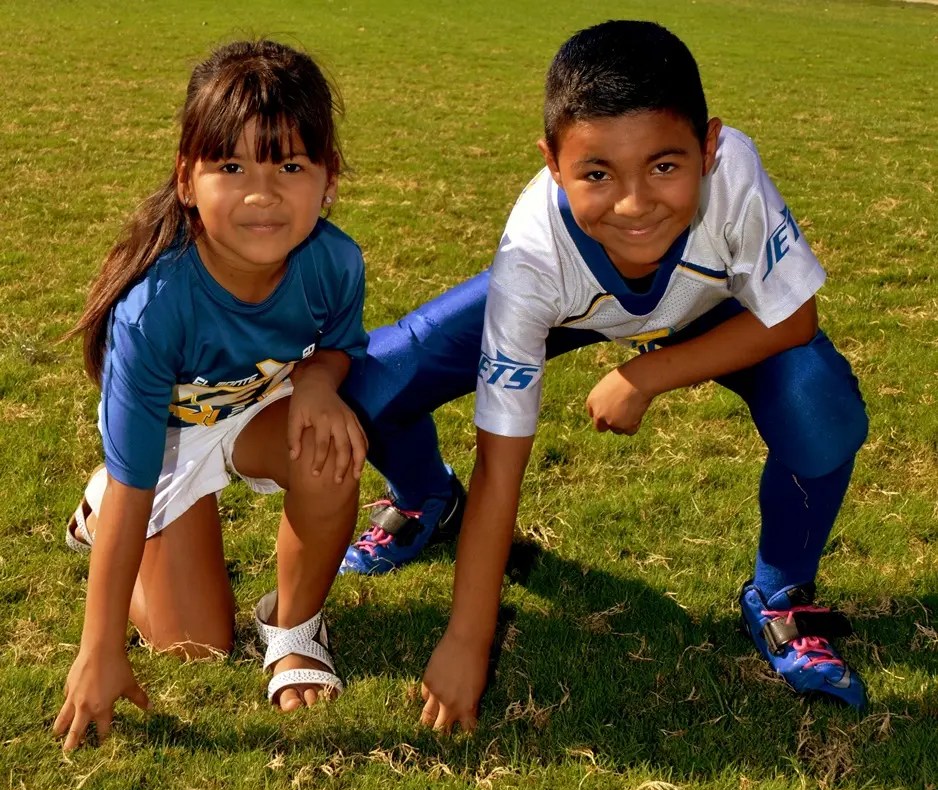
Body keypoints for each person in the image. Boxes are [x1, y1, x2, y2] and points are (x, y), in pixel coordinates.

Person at [339, 20, 869, 723]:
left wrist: (647, 375)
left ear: (709, 147)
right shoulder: (534, 255)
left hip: (710, 309)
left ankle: (781, 592)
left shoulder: (734, 171)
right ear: (552, 163)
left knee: (819, 401)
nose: (634, 202)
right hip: (570, 303)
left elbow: (793, 318)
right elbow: (504, 462)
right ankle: (428, 501)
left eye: (665, 166)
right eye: (596, 173)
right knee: (368, 389)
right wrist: (469, 636)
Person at [54, 40, 370, 750]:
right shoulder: (156, 307)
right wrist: (100, 647)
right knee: (193, 645)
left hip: (258, 411)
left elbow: (342, 343)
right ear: (188, 181)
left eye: (289, 166)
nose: (262, 194)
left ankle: (293, 631)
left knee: (328, 452)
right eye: (231, 167)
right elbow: (142, 483)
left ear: (328, 182)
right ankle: (97, 516)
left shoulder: (334, 262)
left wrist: (319, 382)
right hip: (163, 451)